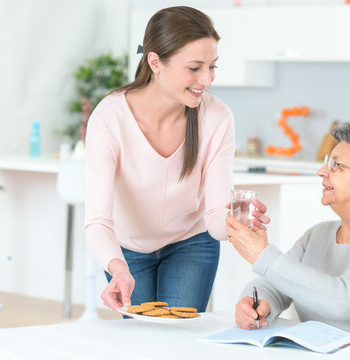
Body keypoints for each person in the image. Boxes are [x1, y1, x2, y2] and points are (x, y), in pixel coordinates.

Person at [84, 6, 265, 313]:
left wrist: (237, 223)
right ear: (155, 62)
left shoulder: (217, 117)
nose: (207, 79)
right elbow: (98, 221)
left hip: (191, 243)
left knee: (179, 337)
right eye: (195, 68)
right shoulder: (110, 116)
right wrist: (117, 268)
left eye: (212, 66)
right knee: (143, 341)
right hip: (128, 249)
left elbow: (216, 218)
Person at [226, 118, 350, 348]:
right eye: (326, 162)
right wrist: (259, 304)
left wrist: (262, 255)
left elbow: (343, 300)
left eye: (337, 165)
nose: (322, 171)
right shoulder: (317, 236)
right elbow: (274, 284)